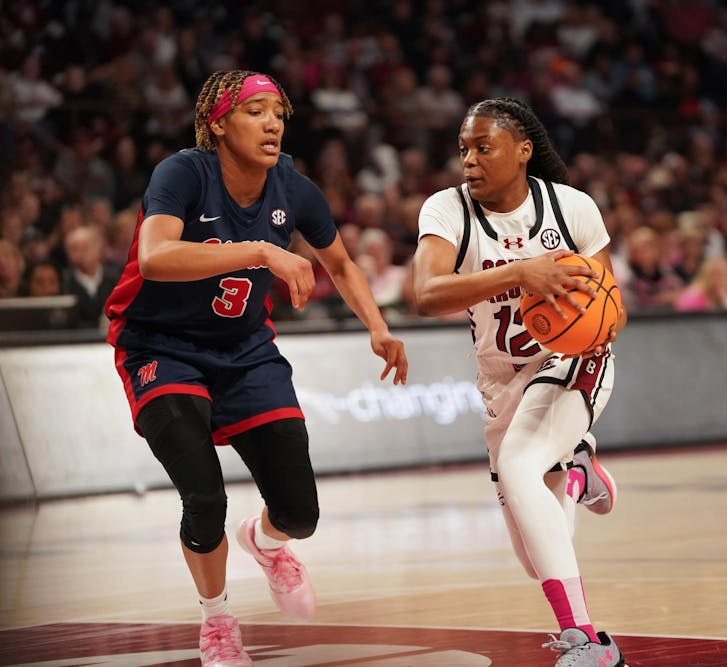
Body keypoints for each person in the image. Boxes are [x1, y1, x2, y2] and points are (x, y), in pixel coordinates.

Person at [103, 70, 408, 667]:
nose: (273, 123)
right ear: (219, 125)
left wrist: (378, 326)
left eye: (279, 113)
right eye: (256, 112)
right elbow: (155, 256)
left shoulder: (293, 188)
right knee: (205, 498)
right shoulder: (183, 173)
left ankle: (266, 544)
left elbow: (341, 265)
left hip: (245, 351)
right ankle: (217, 621)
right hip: (160, 347)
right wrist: (265, 250)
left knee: (300, 514)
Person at [411, 97, 627, 667]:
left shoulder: (572, 209)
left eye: (484, 147)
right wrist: (520, 274)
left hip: (574, 360)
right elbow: (425, 295)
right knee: (535, 557)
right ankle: (579, 470)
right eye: (464, 150)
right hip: (502, 378)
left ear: (523, 150)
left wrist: (577, 315)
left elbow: (613, 309)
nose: (470, 161)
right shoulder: (446, 212)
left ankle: (588, 641)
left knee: (519, 465)